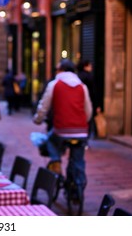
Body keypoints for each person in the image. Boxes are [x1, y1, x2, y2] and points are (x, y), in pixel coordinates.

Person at [33, 59, 93, 193]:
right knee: (78, 158)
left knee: (49, 141)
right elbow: (88, 111)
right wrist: (83, 123)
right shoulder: (82, 86)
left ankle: (56, 161)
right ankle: (78, 186)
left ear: (60, 70)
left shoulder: (54, 85)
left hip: (61, 130)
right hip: (81, 131)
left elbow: (44, 107)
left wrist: (37, 119)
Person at [77, 60, 100, 138]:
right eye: (90, 66)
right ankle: (86, 136)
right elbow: (93, 92)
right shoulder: (89, 77)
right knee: (88, 119)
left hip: (78, 102)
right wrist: (97, 105)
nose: (91, 67)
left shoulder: (77, 76)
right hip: (88, 101)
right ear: (85, 67)